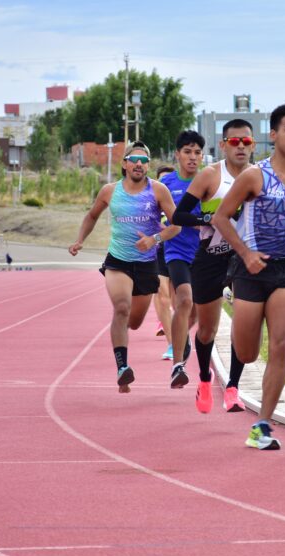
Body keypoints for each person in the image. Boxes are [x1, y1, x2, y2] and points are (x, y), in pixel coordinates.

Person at [213, 102, 285, 450]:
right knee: (245, 353)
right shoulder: (254, 176)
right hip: (249, 268)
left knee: (282, 344)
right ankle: (246, 340)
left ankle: (263, 424)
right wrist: (245, 253)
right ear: (273, 135)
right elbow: (221, 218)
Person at [69, 141, 179, 393]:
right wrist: (79, 240)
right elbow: (92, 215)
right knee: (121, 307)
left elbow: (177, 226)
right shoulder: (110, 191)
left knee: (135, 321)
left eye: (144, 160)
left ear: (148, 165)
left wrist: (154, 239)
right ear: (125, 163)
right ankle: (122, 368)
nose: (139, 164)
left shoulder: (159, 191)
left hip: (146, 263)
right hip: (117, 261)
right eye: (134, 159)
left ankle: (124, 335)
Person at [172, 118, 255, 414]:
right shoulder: (210, 175)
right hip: (209, 257)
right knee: (207, 330)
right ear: (223, 145)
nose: (241, 146)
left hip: (243, 259)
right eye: (235, 141)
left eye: (247, 141)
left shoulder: (261, 176)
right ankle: (206, 379)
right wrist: (207, 219)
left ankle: (233, 387)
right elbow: (178, 217)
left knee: (243, 327)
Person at [161, 131, 205, 389]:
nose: (192, 157)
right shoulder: (166, 183)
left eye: (197, 152)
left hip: (203, 253)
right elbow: (155, 212)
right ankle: (178, 364)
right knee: (184, 299)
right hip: (176, 252)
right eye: (187, 152)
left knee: (196, 312)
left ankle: (182, 339)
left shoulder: (208, 182)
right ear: (177, 154)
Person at [153, 165, 176, 361]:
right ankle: (172, 344)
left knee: (179, 301)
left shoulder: (180, 196)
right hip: (159, 252)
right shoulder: (152, 198)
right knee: (162, 295)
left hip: (179, 251)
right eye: (162, 180)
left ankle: (181, 332)